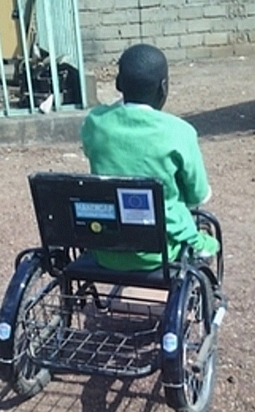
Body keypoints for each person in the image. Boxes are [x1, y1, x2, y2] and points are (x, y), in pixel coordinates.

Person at [80, 43, 219, 272]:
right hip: (160, 251)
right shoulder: (179, 131)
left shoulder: (95, 122)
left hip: (105, 248)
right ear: (163, 87)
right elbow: (198, 195)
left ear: (118, 84)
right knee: (209, 243)